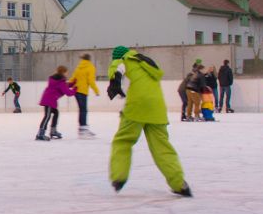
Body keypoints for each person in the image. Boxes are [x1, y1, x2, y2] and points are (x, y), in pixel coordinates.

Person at [106, 46, 191, 196]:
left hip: (137, 107)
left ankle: (119, 177)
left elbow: (117, 71)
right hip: (157, 109)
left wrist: (114, 82)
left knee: (123, 141)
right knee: (162, 147)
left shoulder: (123, 60)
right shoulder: (146, 62)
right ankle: (179, 184)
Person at [36, 66, 75, 140]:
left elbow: (64, 86)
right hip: (49, 100)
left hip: (49, 99)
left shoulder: (56, 79)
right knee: (47, 116)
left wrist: (73, 83)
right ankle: (40, 134)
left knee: (56, 113)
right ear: (63, 72)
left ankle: (53, 131)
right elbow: (68, 92)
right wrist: (76, 89)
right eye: (66, 72)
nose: (67, 74)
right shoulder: (61, 81)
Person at [68, 53, 101, 138]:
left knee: (82, 110)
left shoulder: (78, 67)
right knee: (83, 110)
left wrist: (66, 85)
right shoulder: (90, 67)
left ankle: (82, 129)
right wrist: (96, 91)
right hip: (82, 91)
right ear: (89, 59)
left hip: (76, 90)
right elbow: (91, 81)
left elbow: (73, 78)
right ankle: (83, 130)